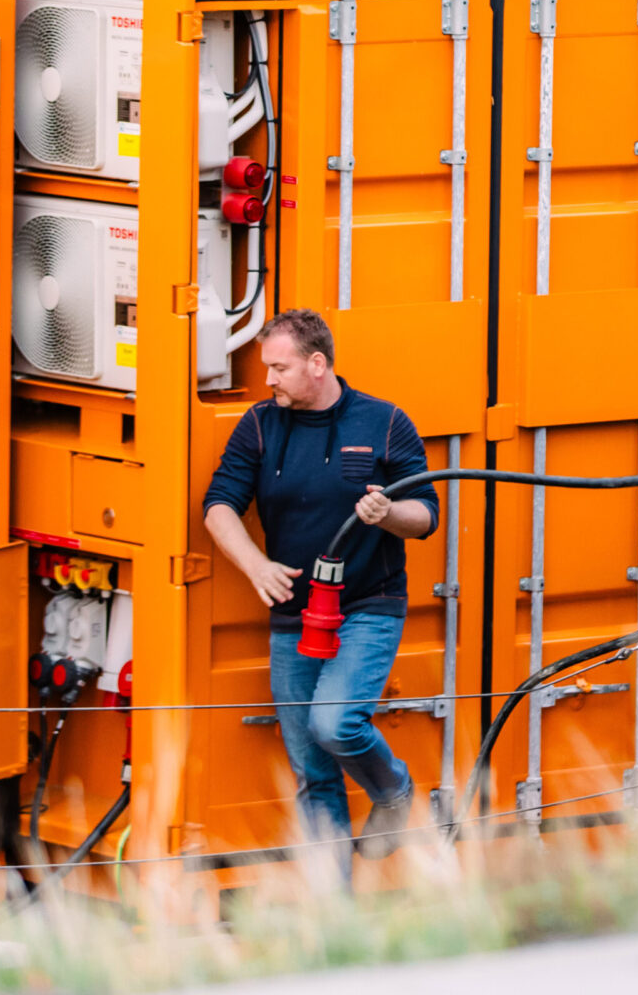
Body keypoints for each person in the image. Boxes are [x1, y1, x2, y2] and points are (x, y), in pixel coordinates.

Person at [201, 308, 436, 866]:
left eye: (278, 368)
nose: (268, 380)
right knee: (312, 771)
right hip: (294, 613)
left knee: (333, 723)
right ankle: (335, 913)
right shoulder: (260, 424)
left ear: (316, 363)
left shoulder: (384, 422)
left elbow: (425, 516)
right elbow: (218, 507)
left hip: (367, 606)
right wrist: (256, 566)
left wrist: (387, 514)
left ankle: (394, 791)